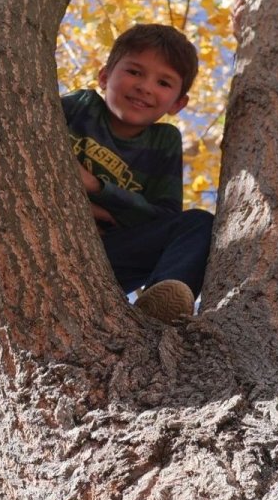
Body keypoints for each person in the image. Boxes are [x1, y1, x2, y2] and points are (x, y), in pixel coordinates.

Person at [63, 23, 213, 322]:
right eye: (134, 72)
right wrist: (83, 204)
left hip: (106, 256)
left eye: (164, 83)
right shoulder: (80, 106)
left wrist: (96, 187)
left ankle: (159, 306)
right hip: (44, 225)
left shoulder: (163, 142)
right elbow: (23, 147)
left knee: (200, 224)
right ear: (105, 76)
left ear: (178, 104)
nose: (145, 86)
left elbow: (163, 217)